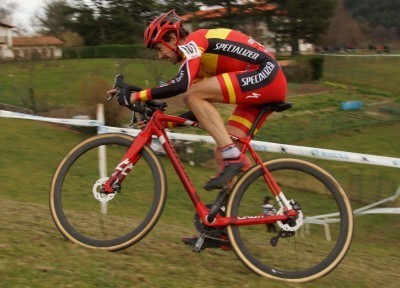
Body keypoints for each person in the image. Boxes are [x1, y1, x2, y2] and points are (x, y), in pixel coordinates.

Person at [108, 10, 287, 248]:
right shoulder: (199, 63)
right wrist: (164, 120)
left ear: (172, 39)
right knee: (221, 149)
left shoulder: (195, 41)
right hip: (259, 84)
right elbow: (198, 109)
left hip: (266, 74)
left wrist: (136, 96)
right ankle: (223, 230)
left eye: (159, 48)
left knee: (195, 98)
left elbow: (184, 87)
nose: (160, 56)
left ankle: (233, 158)